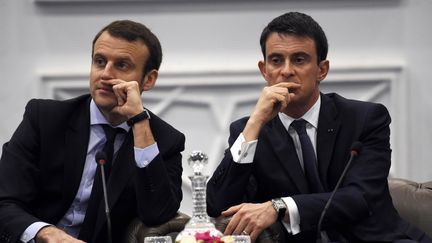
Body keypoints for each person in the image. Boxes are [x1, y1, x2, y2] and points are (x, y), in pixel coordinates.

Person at [207, 12, 431, 243]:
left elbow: (360, 197)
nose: (286, 71)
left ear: (322, 70)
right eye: (276, 61)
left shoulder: (365, 118)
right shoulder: (250, 131)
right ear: (264, 70)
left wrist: (280, 206)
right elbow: (219, 206)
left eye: (299, 59)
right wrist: (254, 123)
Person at [0, 20, 184, 243]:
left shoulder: (164, 140)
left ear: (149, 79)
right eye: (100, 61)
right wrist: (46, 233)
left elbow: (158, 214)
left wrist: (139, 123)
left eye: (122, 65)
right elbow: (5, 201)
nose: (105, 74)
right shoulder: (45, 119)